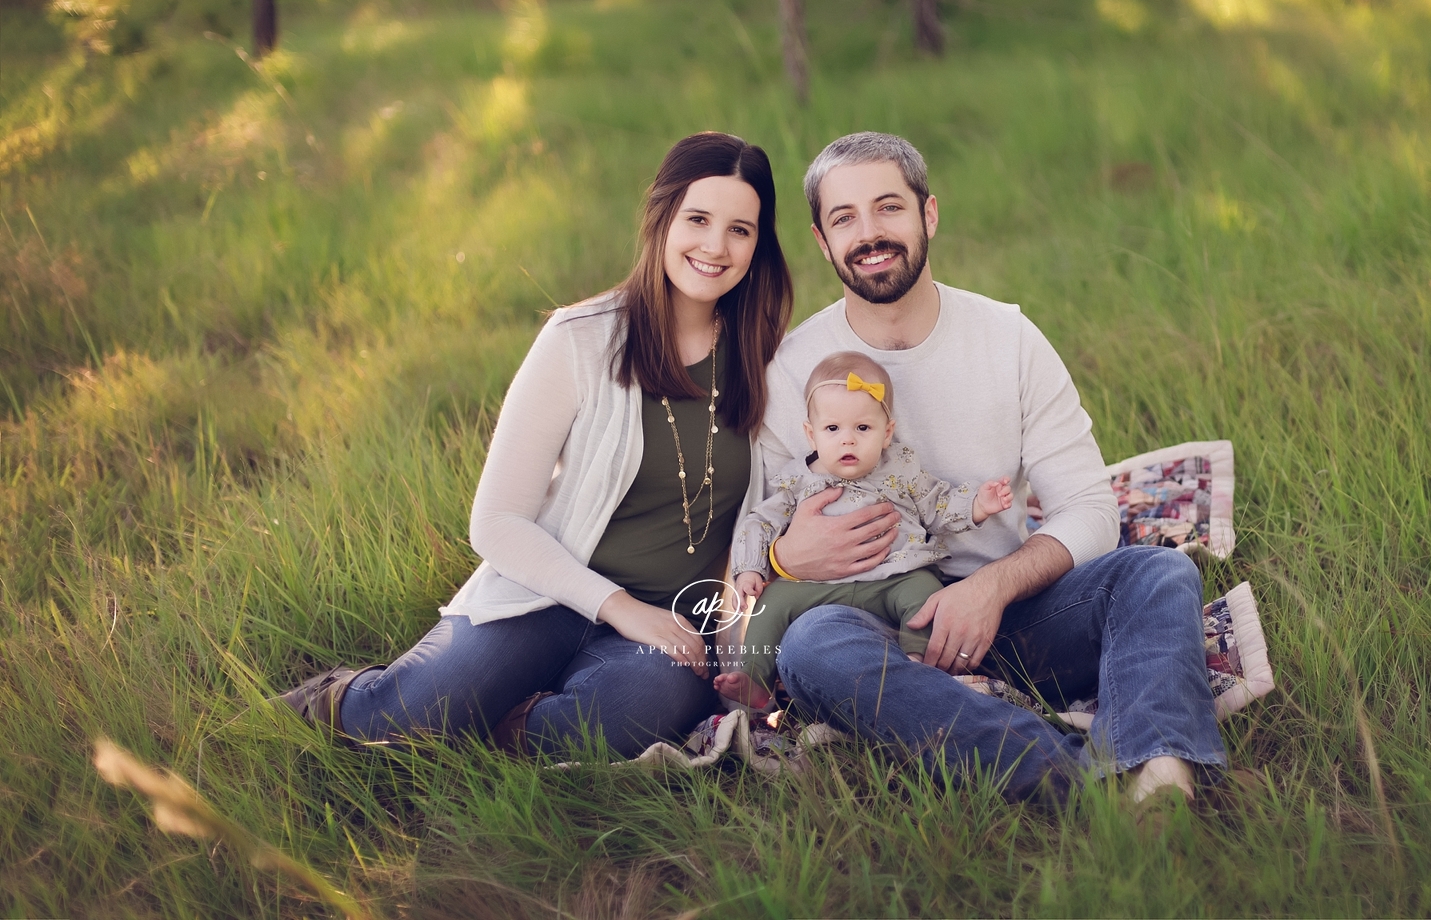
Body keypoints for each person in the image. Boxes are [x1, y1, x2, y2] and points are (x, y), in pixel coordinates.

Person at [277, 132, 793, 758]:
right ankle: (345, 699)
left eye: (740, 229)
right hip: (549, 593)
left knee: (631, 715)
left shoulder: (769, 360)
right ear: (660, 220)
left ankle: (503, 723)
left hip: (673, 623)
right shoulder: (580, 339)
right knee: (409, 717)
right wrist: (620, 606)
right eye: (698, 219)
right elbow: (496, 522)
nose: (715, 247)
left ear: (759, 244)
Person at [761, 132, 1226, 805]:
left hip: (1014, 616)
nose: (870, 233)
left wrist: (995, 587)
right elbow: (754, 524)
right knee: (810, 647)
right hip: (879, 628)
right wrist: (785, 557)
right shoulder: (793, 367)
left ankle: (1156, 770)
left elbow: (1091, 509)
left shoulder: (1008, 339)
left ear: (930, 215)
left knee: (1157, 572)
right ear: (821, 241)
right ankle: (1070, 778)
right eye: (845, 218)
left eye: (889, 207)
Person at [713, 350, 1013, 709]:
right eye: (833, 429)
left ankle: (918, 659)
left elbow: (937, 505)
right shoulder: (799, 480)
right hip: (817, 588)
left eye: (863, 428)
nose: (848, 440)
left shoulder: (901, 470)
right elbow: (762, 521)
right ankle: (754, 679)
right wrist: (750, 567)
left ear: (887, 433)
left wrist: (979, 505)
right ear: (811, 434)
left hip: (895, 575)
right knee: (772, 603)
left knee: (926, 594)